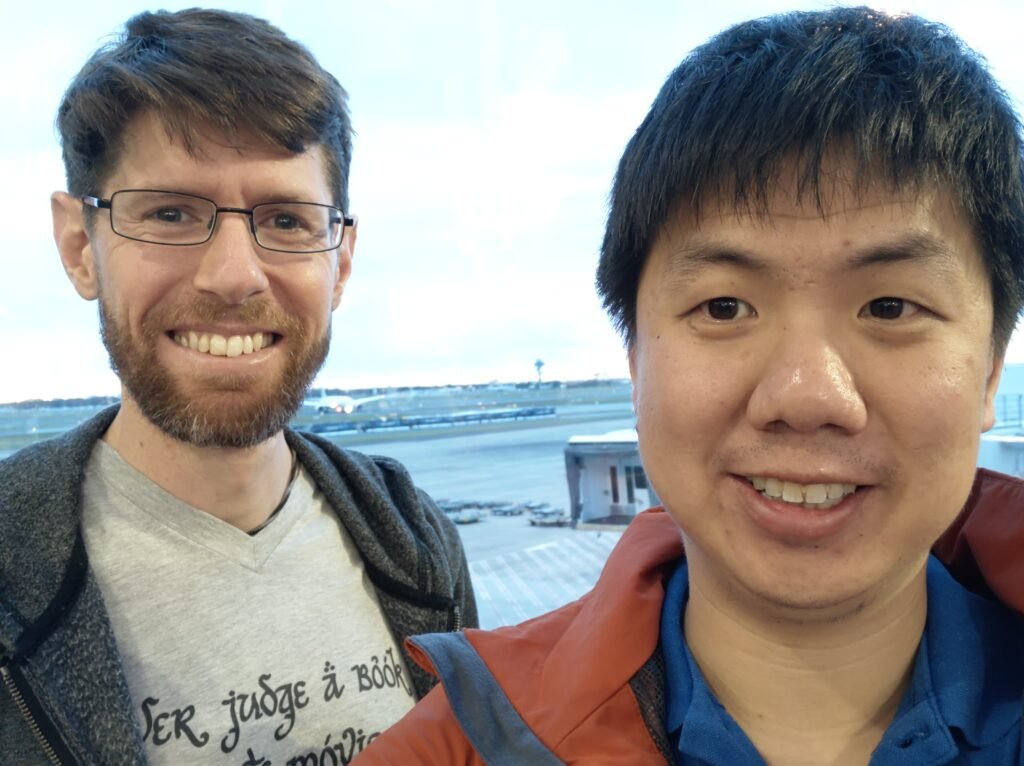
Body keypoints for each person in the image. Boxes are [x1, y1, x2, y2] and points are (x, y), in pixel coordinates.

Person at [356, 7, 1024, 765]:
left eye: (891, 307)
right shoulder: (453, 747)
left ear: (990, 368)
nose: (806, 396)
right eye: (724, 307)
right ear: (635, 362)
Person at [0, 9, 477, 765]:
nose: (233, 276)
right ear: (78, 247)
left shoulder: (415, 541)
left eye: (286, 220)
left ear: (341, 263)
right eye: (169, 213)